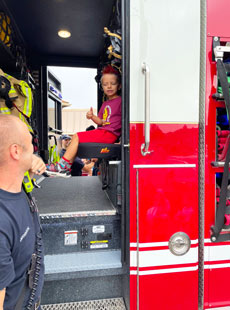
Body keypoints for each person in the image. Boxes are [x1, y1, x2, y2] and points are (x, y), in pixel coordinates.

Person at [0, 114, 46, 310]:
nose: (35, 150)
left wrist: (29, 165)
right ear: (16, 151)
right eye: (30, 142)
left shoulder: (18, 189)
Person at [46, 64, 121, 176]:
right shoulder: (105, 103)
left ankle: (61, 166)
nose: (109, 86)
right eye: (105, 84)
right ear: (102, 87)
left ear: (119, 86)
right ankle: (65, 167)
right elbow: (101, 121)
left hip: (109, 134)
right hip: (103, 131)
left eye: (113, 83)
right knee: (76, 139)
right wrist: (92, 117)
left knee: (77, 136)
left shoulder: (121, 101)